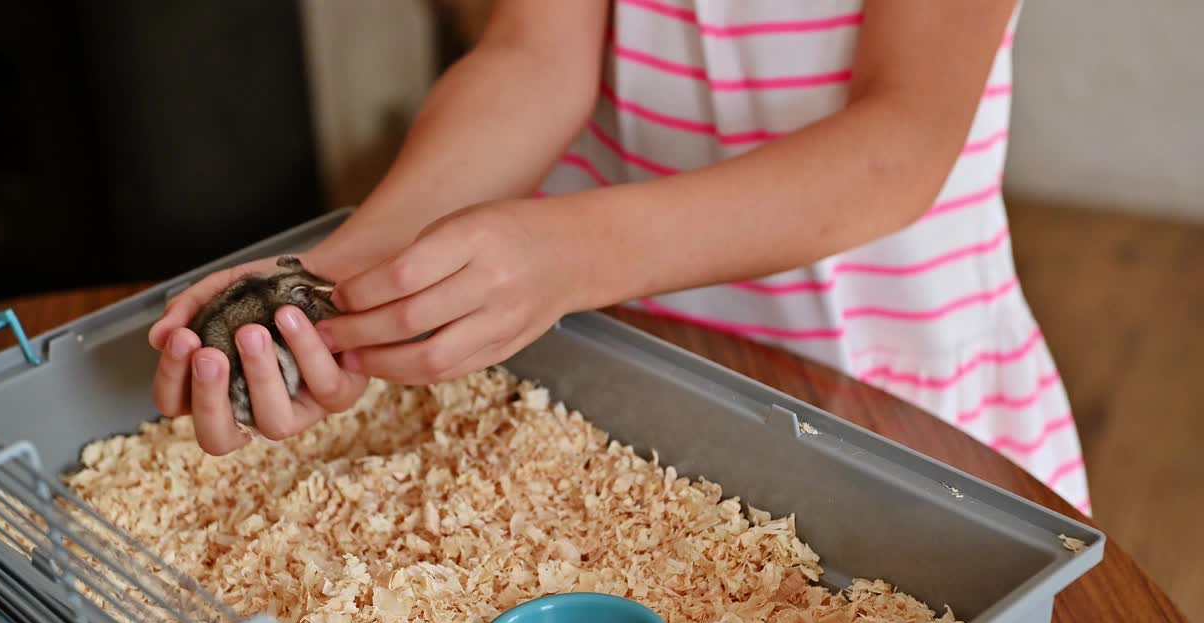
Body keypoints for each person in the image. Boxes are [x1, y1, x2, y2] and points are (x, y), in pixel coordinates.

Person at [147, 0, 1090, 515]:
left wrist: (571, 252)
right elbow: (535, 54)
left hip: (881, 377)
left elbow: (900, 141)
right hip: (610, 362)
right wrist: (348, 269)